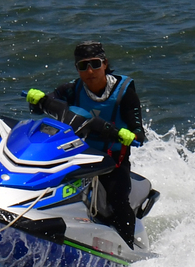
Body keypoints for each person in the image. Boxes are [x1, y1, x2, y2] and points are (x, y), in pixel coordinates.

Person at [27, 40, 147, 248]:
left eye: (95, 64)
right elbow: (46, 106)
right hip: (78, 153)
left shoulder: (124, 91)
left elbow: (139, 133)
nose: (90, 71)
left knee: (118, 200)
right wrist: (36, 100)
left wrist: (130, 135)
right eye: (83, 66)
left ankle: (127, 247)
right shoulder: (73, 89)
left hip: (112, 159)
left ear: (105, 63)